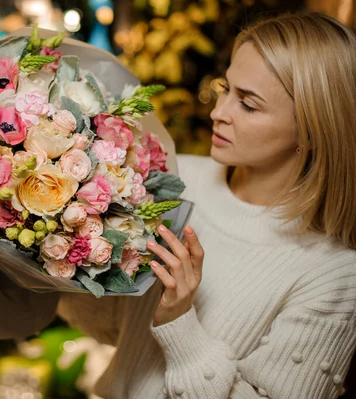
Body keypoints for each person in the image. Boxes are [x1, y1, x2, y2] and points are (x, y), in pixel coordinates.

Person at [58, 12, 356, 399]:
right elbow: (115, 329)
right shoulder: (178, 179)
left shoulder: (334, 274)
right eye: (225, 88)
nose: (219, 112)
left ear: (314, 129)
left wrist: (180, 324)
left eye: (248, 104)